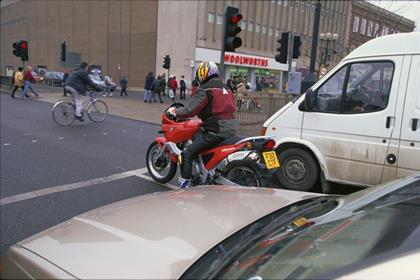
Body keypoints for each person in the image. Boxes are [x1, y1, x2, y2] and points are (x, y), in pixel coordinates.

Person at [168, 61, 238, 188]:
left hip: (216, 130)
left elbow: (190, 110)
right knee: (199, 138)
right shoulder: (226, 88)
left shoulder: (206, 88)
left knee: (187, 154)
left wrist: (175, 112)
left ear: (203, 73)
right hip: (231, 128)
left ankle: (185, 186)